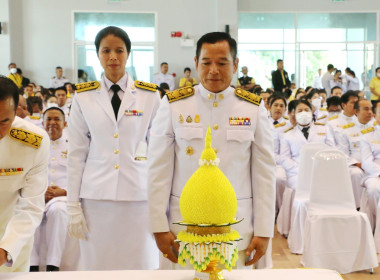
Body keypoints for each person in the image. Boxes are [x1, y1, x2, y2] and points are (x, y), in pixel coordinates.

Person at [148, 32, 276, 269]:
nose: (213, 70)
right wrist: (158, 225)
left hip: (237, 230)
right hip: (184, 229)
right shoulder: (175, 105)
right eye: (206, 63)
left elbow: (265, 174)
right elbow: (158, 170)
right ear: (196, 63)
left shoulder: (253, 108)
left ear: (235, 65)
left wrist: (264, 230)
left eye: (222, 63)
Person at [67, 26, 160, 270]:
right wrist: (72, 205)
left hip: (139, 195)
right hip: (96, 198)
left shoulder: (149, 96)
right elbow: (77, 154)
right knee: (98, 265)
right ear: (97, 54)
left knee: (141, 263)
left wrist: (163, 202)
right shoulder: (83, 97)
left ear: (128, 54)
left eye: (119, 50)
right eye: (106, 50)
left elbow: (160, 151)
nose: (113, 57)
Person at [0, 76, 49, 272]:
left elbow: (31, 206)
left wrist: (6, 248)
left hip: (11, 245)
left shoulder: (33, 142)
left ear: (17, 113)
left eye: (4, 121)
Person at [30, 107, 73, 272]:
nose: (52, 123)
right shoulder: (34, 146)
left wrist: (64, 191)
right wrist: (39, 191)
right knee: (31, 211)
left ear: (65, 123)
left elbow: (81, 177)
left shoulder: (73, 148)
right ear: (42, 122)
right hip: (37, 195)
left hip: (62, 197)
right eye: (48, 119)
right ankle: (32, 264)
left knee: (58, 211)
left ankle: (53, 265)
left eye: (57, 119)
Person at [335, 99, 373, 209]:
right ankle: (358, 208)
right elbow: (343, 153)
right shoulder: (346, 130)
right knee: (355, 174)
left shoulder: (377, 128)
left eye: (371, 109)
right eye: (366, 109)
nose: (370, 112)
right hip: (356, 166)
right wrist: (358, 164)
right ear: (356, 111)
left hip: (375, 164)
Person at [268, 94, 293, 214]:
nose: (278, 108)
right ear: (269, 107)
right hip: (261, 160)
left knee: (279, 179)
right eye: (276, 105)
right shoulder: (262, 122)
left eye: (281, 106)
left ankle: (280, 211)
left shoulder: (289, 126)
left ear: (285, 109)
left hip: (280, 162)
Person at [360, 101, 380, 242]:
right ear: (375, 115)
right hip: (375, 174)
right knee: (373, 189)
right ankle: (375, 220)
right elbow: (366, 161)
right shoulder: (367, 136)